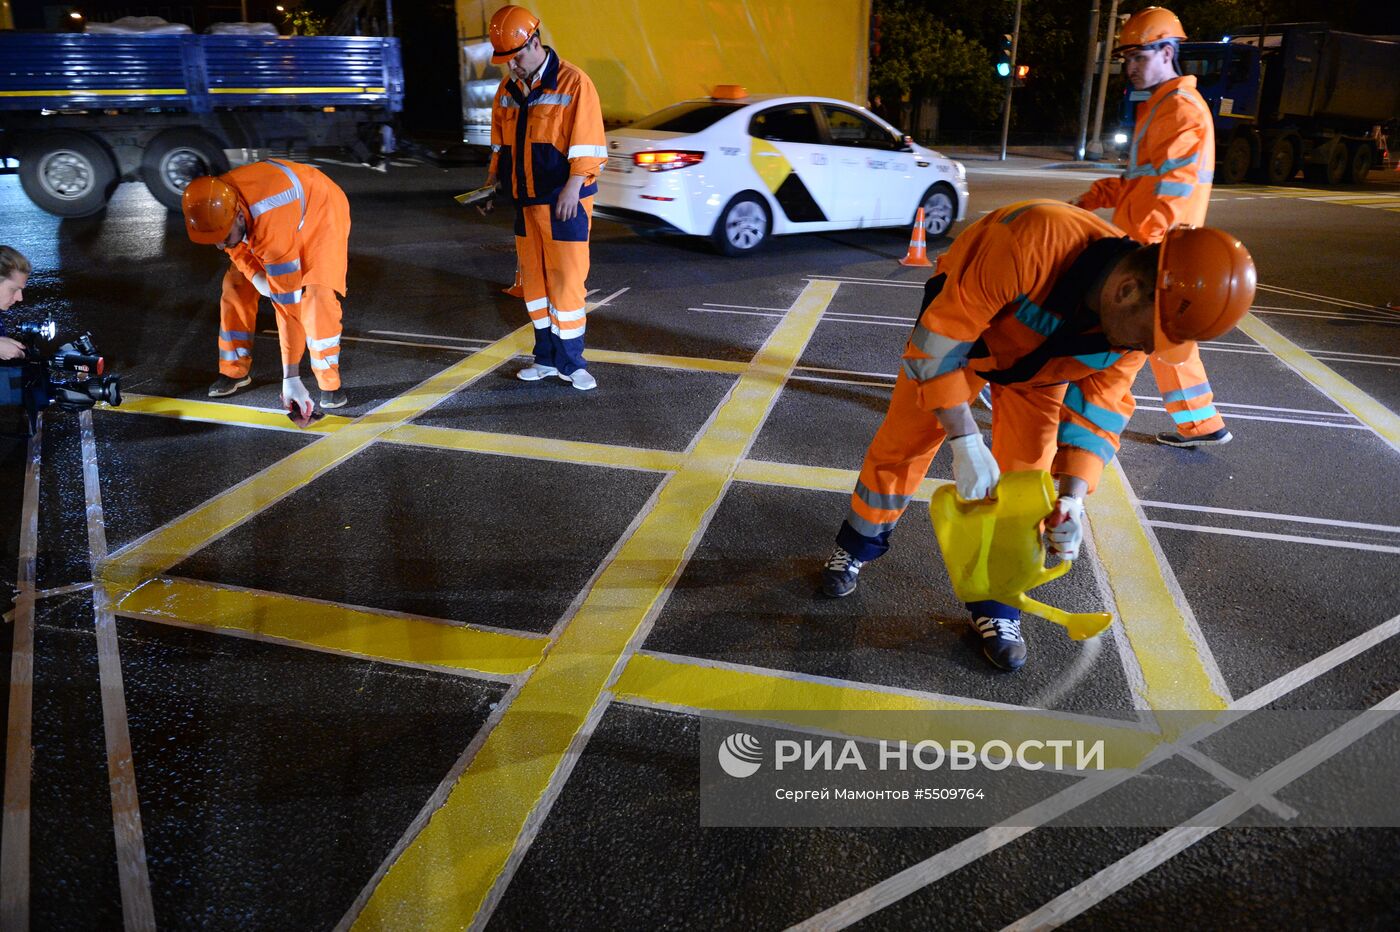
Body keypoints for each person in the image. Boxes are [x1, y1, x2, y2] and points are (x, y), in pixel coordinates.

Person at [819, 199, 1256, 671]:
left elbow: (1101, 411)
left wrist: (1072, 496)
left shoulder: (1133, 327)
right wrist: (964, 438)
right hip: (961, 351)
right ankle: (856, 546)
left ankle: (997, 606)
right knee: (905, 443)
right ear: (1128, 289)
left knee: (1027, 485)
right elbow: (938, 342)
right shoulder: (1028, 240)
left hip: (1039, 377)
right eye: (1153, 336)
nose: (1150, 349)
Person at [1072, 5, 1229, 448]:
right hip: (1155, 249)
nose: (1130, 67)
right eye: (1126, 58)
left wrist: (1141, 252)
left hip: (1153, 251)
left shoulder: (1180, 110)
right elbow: (1139, 183)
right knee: (1164, 338)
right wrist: (1093, 198)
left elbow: (1173, 195)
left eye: (1138, 57)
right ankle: (1202, 423)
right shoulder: (1160, 107)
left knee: (1119, 349)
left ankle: (1081, 445)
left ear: (1167, 52)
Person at [485, 4, 607, 391]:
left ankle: (572, 364)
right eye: (506, 61)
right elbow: (500, 145)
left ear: (534, 42)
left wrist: (574, 186)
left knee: (567, 284)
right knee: (535, 285)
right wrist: (491, 183)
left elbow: (588, 142)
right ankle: (546, 359)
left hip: (562, 202)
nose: (513, 67)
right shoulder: (507, 90)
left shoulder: (574, 82)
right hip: (525, 201)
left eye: (517, 57)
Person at [181, 158, 351, 427]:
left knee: (317, 297)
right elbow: (234, 244)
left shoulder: (269, 229)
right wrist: (253, 275)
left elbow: (288, 306)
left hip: (322, 211)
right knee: (235, 286)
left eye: (224, 237)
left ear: (238, 216)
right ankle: (234, 370)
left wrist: (291, 377)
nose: (219, 246)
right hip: (280, 208)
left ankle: (329, 383)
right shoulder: (218, 200)